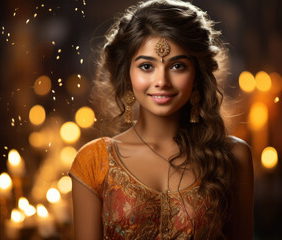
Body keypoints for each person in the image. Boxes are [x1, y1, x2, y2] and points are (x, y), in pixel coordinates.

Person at [69, 0, 254, 239]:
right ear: (127, 74)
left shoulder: (232, 157)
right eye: (147, 66)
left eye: (177, 66)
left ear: (197, 74)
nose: (162, 81)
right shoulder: (95, 162)